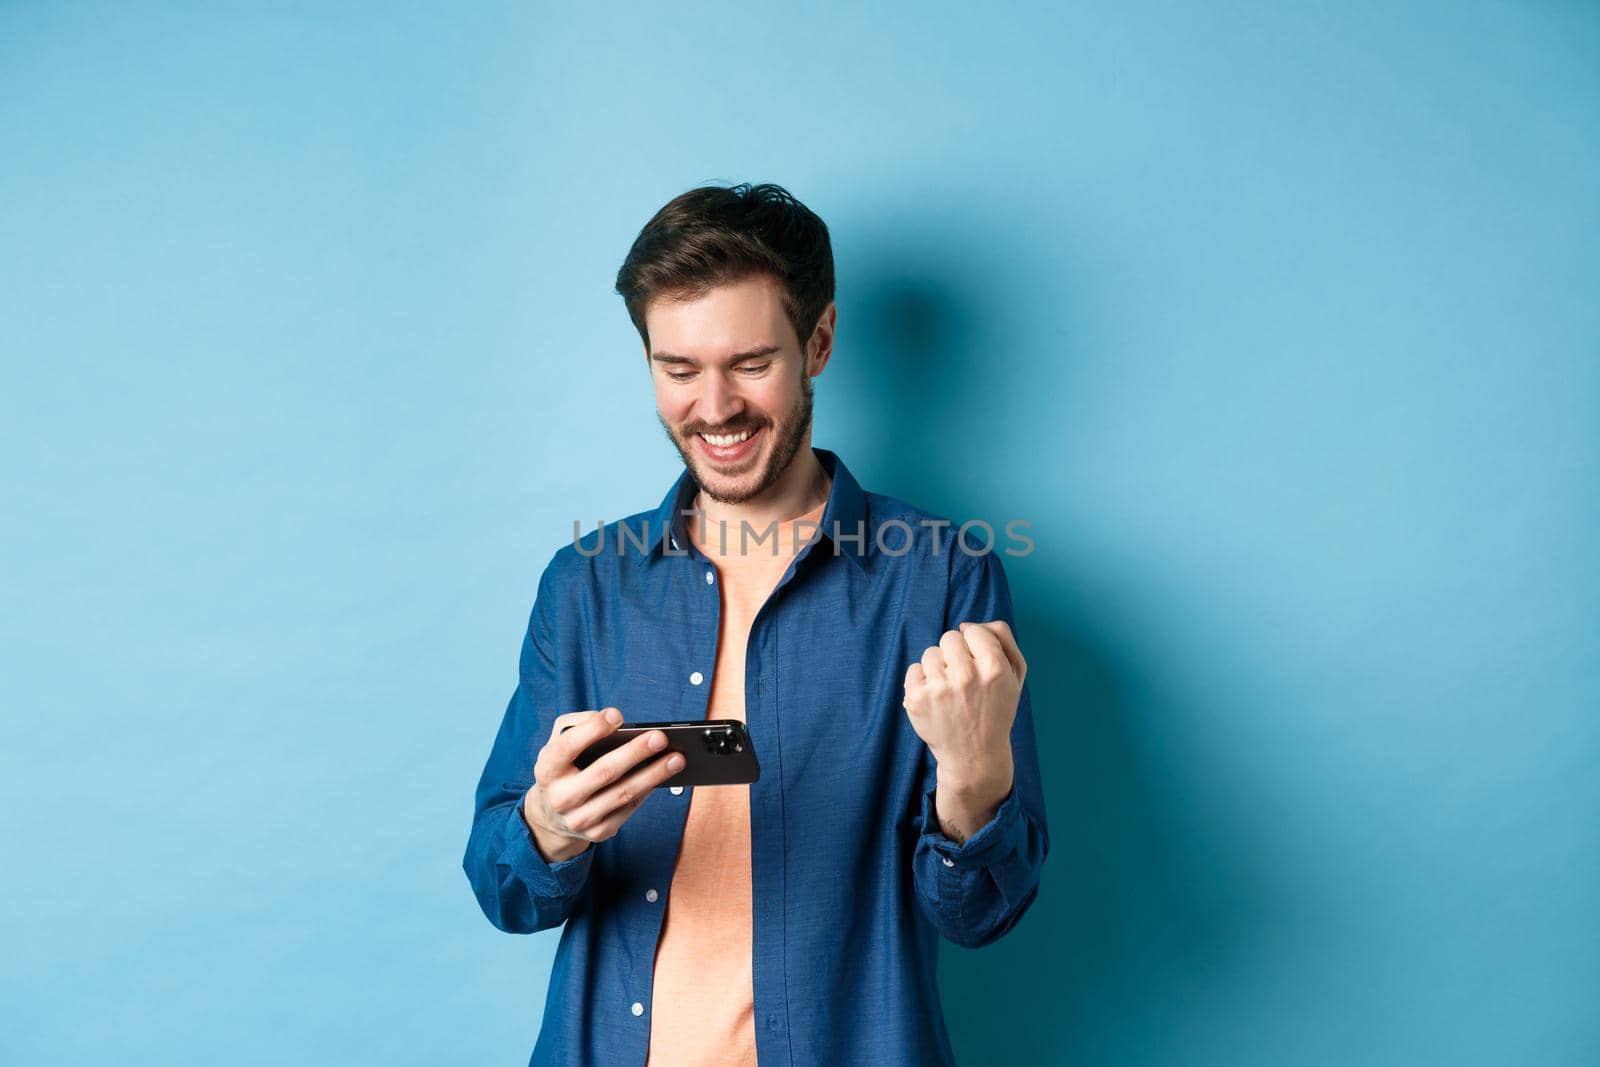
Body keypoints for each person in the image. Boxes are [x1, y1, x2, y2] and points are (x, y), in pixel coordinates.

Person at [462, 182, 1048, 1067]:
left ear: (817, 341)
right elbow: (504, 889)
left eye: (749, 363)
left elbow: (979, 914)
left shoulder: (942, 579)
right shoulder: (586, 587)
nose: (715, 407)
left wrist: (974, 774)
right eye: (678, 368)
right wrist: (550, 823)